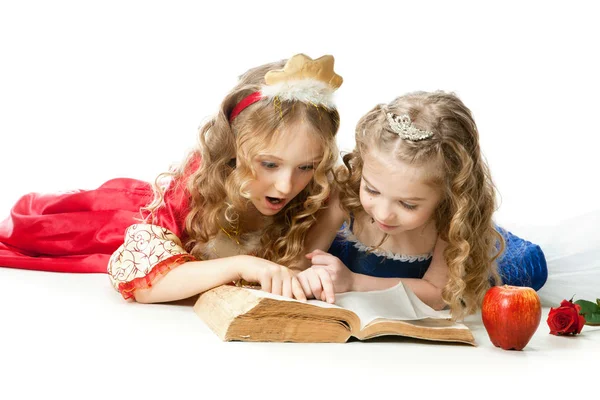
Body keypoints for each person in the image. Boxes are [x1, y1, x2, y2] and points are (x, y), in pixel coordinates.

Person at [0, 53, 343, 304]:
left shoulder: (317, 193)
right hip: (125, 223)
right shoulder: (198, 183)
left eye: (306, 167)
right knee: (36, 229)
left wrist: (334, 213)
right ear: (234, 149)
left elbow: (295, 270)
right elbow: (147, 286)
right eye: (269, 164)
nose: (286, 186)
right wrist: (241, 264)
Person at [296, 91, 548, 320]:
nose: (383, 213)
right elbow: (303, 259)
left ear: (448, 197)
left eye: (407, 204)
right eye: (372, 190)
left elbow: (438, 294)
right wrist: (309, 275)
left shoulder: (450, 219)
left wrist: (352, 281)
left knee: (523, 268)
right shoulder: (346, 192)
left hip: (466, 260)